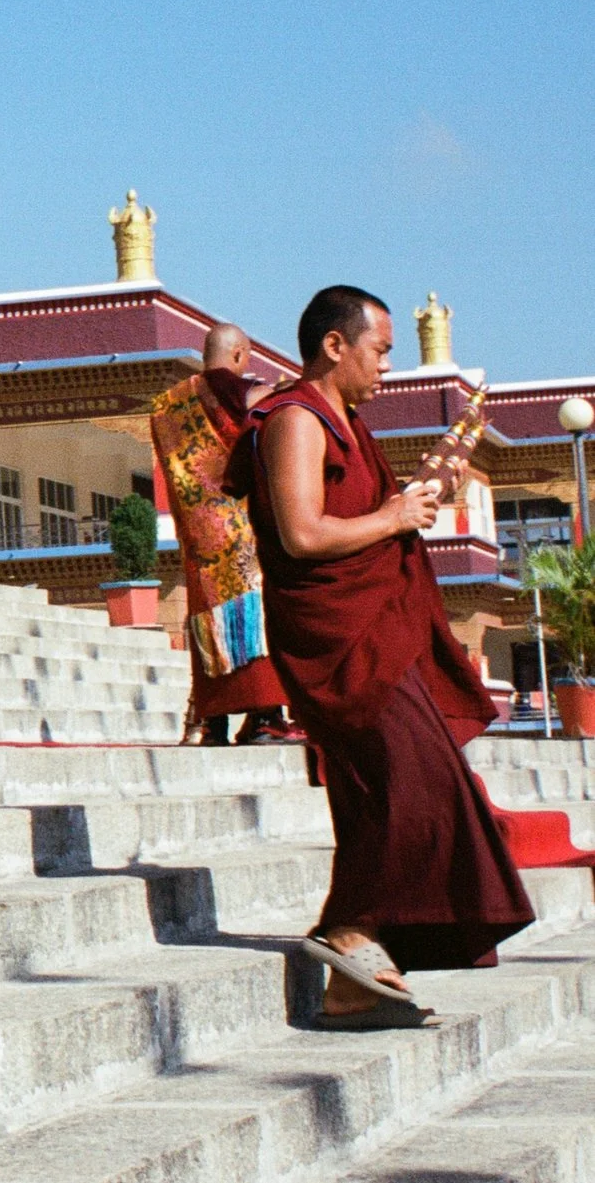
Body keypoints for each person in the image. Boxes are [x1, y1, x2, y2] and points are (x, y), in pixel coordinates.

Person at [246, 285, 532, 1028]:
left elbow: (358, 520)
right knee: (413, 781)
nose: (385, 369)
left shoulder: (347, 423)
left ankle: (352, 977)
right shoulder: (296, 420)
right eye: (378, 350)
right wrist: (394, 514)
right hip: (333, 639)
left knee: (392, 788)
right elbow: (303, 534)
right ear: (335, 345)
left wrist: (407, 504)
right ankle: (347, 929)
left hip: (375, 628)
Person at [151, 323, 293, 745]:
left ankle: (211, 722)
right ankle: (265, 715)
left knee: (206, 623)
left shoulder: (165, 406)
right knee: (253, 618)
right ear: (239, 355)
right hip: (242, 530)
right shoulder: (246, 392)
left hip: (198, 540)